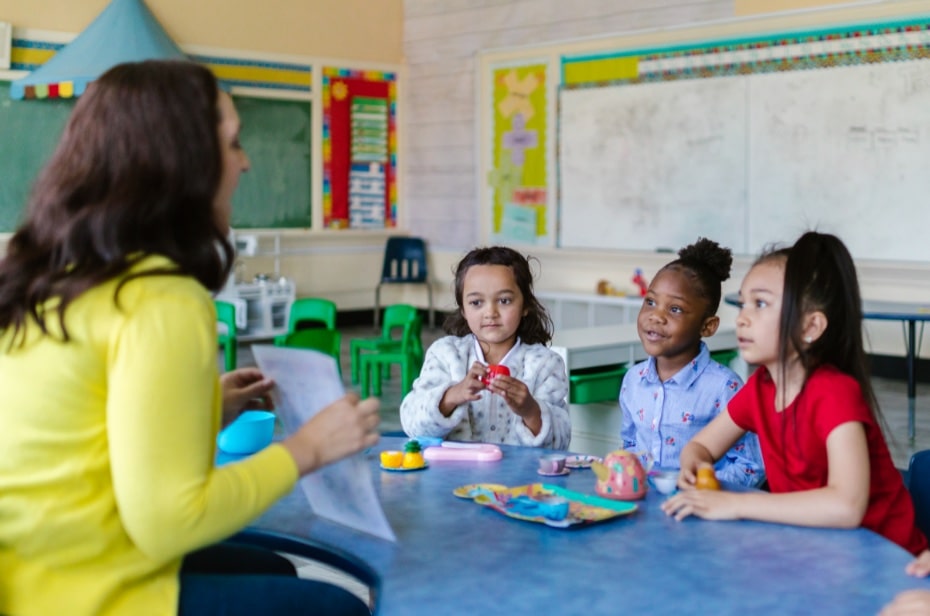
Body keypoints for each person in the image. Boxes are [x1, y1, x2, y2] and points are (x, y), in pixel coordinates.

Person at [0, 60, 380, 616]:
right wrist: (308, 448)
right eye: (233, 144)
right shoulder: (163, 299)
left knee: (275, 569)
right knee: (336, 608)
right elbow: (169, 521)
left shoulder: (58, 275)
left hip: (30, 574)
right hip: (85, 594)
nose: (246, 163)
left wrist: (205, 405)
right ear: (182, 165)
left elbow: (81, 437)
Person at [661, 231, 927, 556]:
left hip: (888, 563)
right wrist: (695, 466)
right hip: (819, 552)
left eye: (760, 304)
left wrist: (737, 504)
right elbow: (701, 445)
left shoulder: (834, 393)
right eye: (743, 303)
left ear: (810, 327)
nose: (742, 318)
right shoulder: (761, 388)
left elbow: (847, 506)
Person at [620, 238, 764, 487]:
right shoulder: (633, 380)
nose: (656, 316)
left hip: (700, 511)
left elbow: (751, 468)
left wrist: (697, 486)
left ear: (707, 326)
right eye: (650, 302)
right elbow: (630, 445)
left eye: (675, 309)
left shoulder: (724, 387)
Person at [400, 245, 571, 448]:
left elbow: (561, 441)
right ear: (462, 308)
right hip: (454, 477)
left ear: (525, 305)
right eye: (476, 303)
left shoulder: (546, 364)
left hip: (519, 478)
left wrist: (531, 411)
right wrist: (451, 396)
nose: (490, 312)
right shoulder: (445, 355)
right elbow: (412, 424)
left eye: (504, 300)